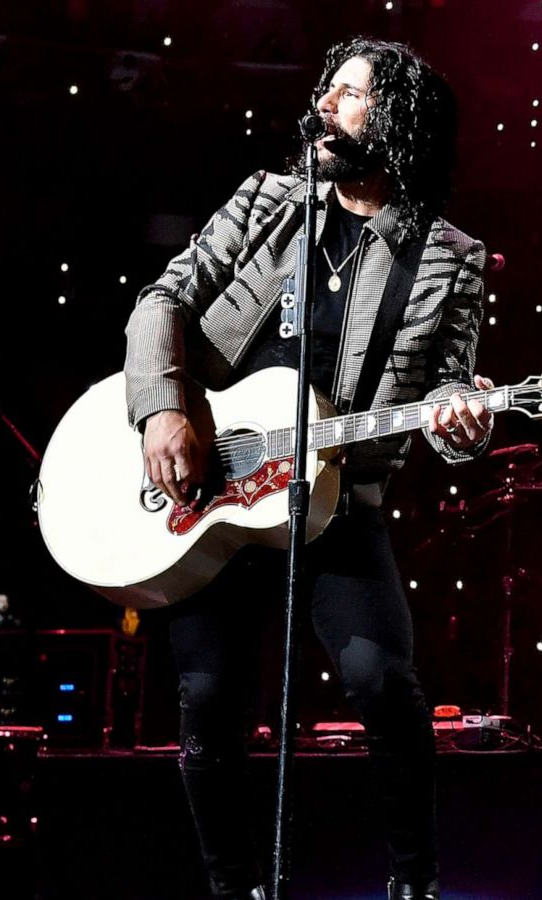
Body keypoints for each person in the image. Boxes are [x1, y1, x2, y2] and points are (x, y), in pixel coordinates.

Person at [124, 38, 493, 900]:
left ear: (396, 118)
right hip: (218, 492)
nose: (325, 104)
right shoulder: (268, 203)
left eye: (352, 94)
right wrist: (164, 408)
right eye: (326, 89)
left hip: (336, 502)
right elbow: (163, 300)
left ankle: (415, 883)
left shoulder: (449, 257)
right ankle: (233, 888)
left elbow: (447, 411)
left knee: (381, 680)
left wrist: (465, 422)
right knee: (208, 700)